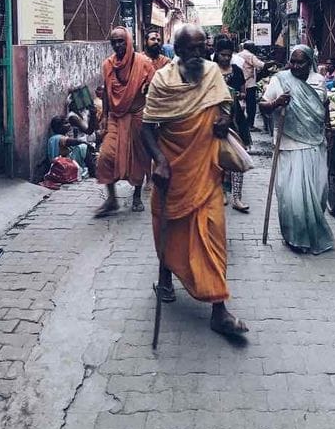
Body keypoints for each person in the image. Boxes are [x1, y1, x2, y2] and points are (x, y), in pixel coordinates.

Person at [142, 24, 248, 337]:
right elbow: (147, 127)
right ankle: (165, 277)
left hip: (207, 168)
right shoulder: (163, 79)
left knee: (213, 233)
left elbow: (226, 106)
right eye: (190, 49)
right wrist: (159, 162)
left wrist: (225, 119)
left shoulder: (213, 72)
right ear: (178, 49)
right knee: (169, 225)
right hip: (172, 169)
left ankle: (219, 309)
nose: (197, 54)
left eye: (202, 48)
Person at [259, 45, 334, 255]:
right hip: (289, 143)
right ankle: (295, 237)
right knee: (292, 196)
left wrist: (328, 129)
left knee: (318, 191)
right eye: (292, 61)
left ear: (309, 62)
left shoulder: (318, 81)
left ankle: (313, 233)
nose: (295, 66)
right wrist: (276, 102)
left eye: (300, 62)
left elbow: (324, 106)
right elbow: (262, 105)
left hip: (314, 143)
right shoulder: (280, 79)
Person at [95, 27, 155, 217]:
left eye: (121, 41)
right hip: (115, 116)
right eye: (114, 42)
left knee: (139, 158)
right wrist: (104, 117)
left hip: (138, 115)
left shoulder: (143, 62)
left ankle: (136, 196)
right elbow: (106, 93)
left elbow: (154, 87)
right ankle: (112, 199)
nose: (118, 45)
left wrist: (148, 87)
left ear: (128, 41)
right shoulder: (108, 65)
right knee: (105, 156)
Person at [214, 37, 251, 213]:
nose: (226, 58)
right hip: (215, 119)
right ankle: (221, 192)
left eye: (228, 55)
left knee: (238, 156)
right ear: (216, 54)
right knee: (218, 159)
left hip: (236, 119)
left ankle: (237, 197)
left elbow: (243, 91)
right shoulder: (210, 70)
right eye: (222, 55)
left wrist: (239, 96)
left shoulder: (236, 70)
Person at [238, 41, 273, 131]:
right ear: (250, 47)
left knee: (240, 104)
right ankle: (250, 125)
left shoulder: (239, 54)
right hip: (249, 84)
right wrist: (273, 62)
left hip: (241, 83)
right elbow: (261, 65)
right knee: (251, 106)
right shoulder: (250, 55)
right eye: (253, 47)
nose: (255, 48)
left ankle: (241, 123)